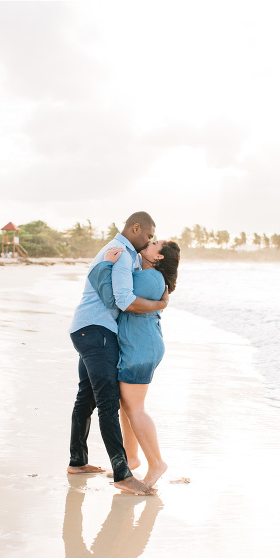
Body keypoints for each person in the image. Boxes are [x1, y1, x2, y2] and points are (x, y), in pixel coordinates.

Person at [67, 211, 168, 495]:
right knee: (108, 402)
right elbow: (123, 300)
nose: (149, 241)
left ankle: (77, 461)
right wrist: (160, 305)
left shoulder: (124, 253)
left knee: (86, 397)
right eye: (148, 236)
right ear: (135, 228)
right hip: (96, 331)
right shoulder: (122, 253)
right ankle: (123, 474)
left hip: (87, 329)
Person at [87, 239, 181, 488]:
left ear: (158, 257)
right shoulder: (148, 275)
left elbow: (115, 296)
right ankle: (131, 457)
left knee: (135, 407)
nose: (151, 242)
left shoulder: (149, 278)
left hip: (141, 348)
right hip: (139, 345)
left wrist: (107, 265)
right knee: (127, 405)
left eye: (156, 244)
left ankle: (157, 463)